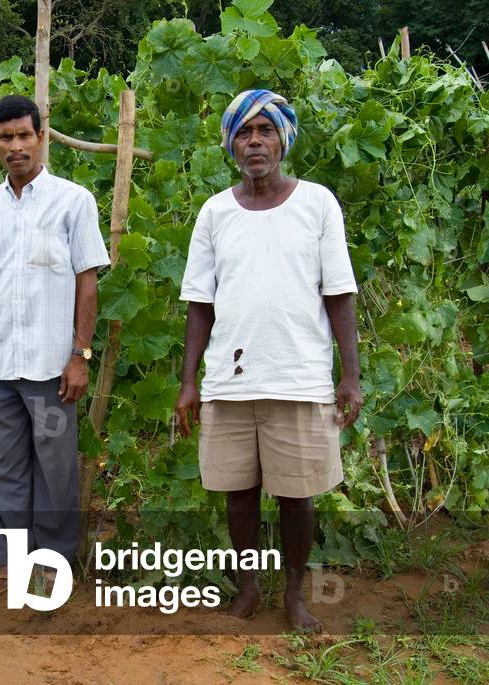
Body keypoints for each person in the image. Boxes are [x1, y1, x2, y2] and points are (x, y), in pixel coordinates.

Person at [175, 89, 362, 633]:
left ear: (283, 139)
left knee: (298, 494)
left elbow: (339, 293)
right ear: (231, 143)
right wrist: (189, 382)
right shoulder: (215, 213)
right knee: (239, 493)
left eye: (266, 131)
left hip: (299, 376)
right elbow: (199, 304)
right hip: (230, 381)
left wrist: (349, 375)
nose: (255, 141)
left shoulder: (318, 204)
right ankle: (249, 587)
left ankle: (295, 595)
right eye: (244, 132)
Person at [0, 95, 111, 598]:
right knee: (5, 466)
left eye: (25, 134)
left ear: (41, 136)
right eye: (6, 137)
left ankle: (52, 565)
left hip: (52, 368)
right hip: (0, 366)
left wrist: (79, 354)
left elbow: (87, 281)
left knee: (54, 467)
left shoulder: (73, 201)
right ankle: (9, 561)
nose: (16, 145)